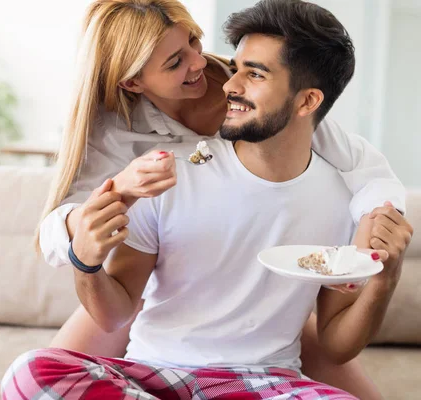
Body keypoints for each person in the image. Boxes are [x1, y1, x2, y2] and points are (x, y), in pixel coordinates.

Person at [22, 0, 405, 398]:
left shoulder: (266, 102)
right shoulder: (132, 154)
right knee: (35, 371)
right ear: (133, 83)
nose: (204, 68)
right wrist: (95, 230)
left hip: (263, 364)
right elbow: (78, 253)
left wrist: (375, 249)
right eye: (174, 62)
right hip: (162, 340)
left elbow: (366, 169)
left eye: (194, 41)